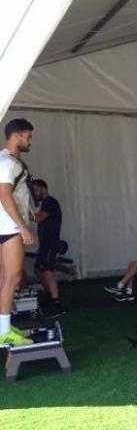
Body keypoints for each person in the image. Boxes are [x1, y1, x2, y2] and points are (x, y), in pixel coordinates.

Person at [0, 119, 35, 347]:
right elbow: (4, 196)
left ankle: (4, 327)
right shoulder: (7, 163)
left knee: (5, 279)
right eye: (28, 136)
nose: (30, 141)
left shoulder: (8, 161)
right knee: (13, 278)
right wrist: (23, 227)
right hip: (10, 228)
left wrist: (29, 215)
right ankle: (4, 333)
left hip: (6, 226)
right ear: (17, 135)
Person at [30, 179, 64, 315]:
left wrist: (21, 213)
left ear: (44, 189)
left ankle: (56, 303)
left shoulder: (50, 202)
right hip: (45, 244)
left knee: (48, 270)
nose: (34, 193)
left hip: (51, 243)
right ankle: (50, 295)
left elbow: (39, 218)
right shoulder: (46, 203)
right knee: (38, 269)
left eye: (36, 190)